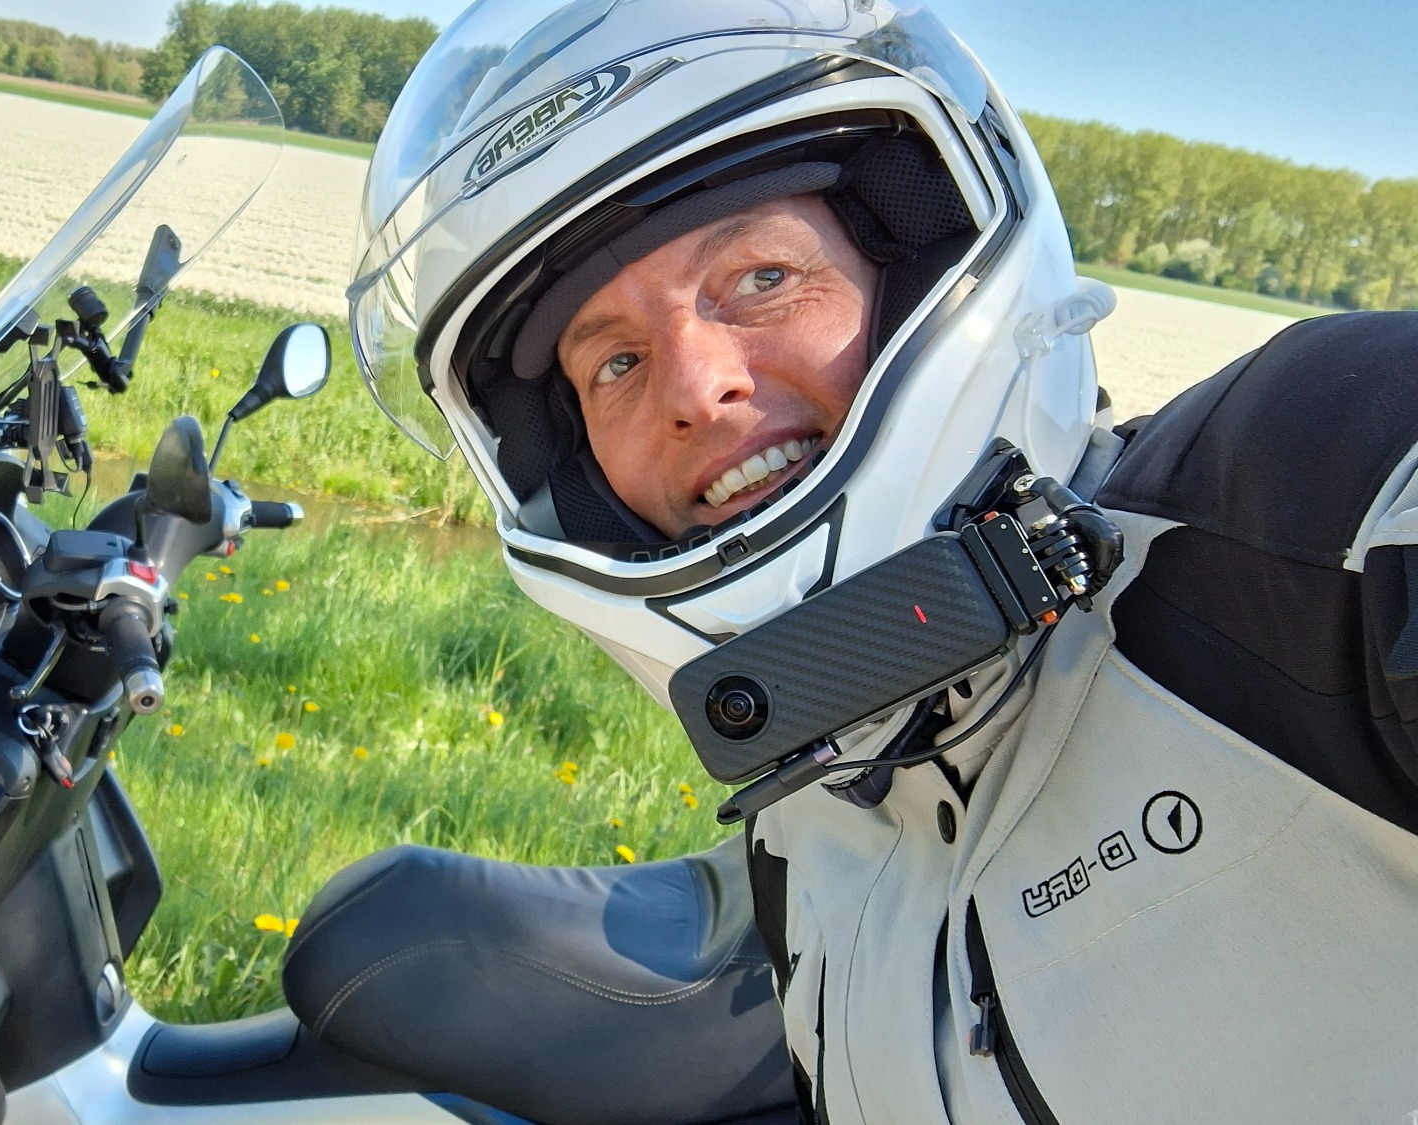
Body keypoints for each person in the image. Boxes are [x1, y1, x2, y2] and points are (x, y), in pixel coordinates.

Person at [281, 2, 1418, 1123]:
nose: (696, 388)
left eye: (760, 279)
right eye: (615, 362)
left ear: (925, 256)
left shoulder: (1310, 493)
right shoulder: (805, 822)